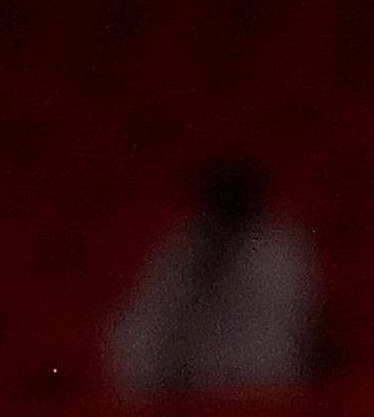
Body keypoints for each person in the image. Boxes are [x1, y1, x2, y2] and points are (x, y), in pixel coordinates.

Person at [106, 163, 318, 399]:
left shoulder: (279, 251)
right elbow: (151, 319)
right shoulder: (182, 249)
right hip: (186, 384)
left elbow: (284, 328)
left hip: (261, 385)